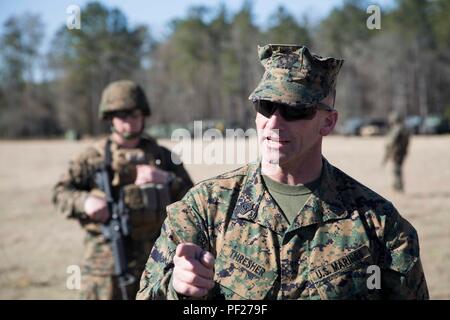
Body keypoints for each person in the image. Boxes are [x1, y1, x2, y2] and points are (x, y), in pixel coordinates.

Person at [136, 45, 429, 300]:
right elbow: (149, 293)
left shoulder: (378, 223)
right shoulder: (205, 208)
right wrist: (177, 288)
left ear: (328, 123)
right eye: (266, 107)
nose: (274, 123)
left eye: (294, 109)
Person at [52, 80, 193, 299]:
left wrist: (166, 179)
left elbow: (191, 201)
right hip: (105, 265)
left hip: (158, 261)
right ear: (109, 118)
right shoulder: (92, 158)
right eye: (121, 115)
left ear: (143, 115)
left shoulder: (164, 157)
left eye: (134, 114)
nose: (129, 122)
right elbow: (61, 192)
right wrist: (85, 202)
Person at [383, 111, 410, 192]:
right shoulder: (403, 128)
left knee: (397, 170)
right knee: (397, 169)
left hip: (397, 153)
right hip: (401, 152)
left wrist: (389, 151)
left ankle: (398, 187)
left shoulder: (398, 129)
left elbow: (391, 141)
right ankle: (397, 186)